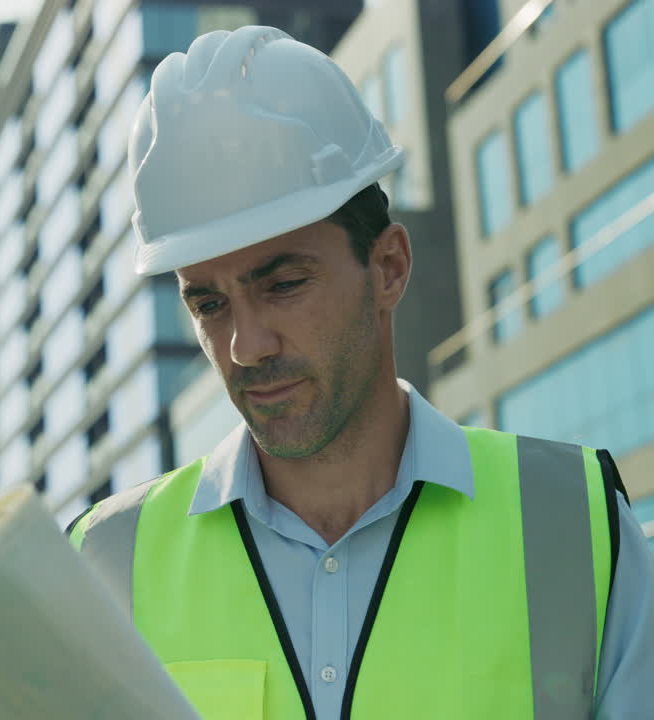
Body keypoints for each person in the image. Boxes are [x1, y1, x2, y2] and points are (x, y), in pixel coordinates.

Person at [66, 26, 653, 720]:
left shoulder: (573, 522)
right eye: (210, 303)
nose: (244, 345)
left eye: (283, 283)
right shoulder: (101, 562)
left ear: (389, 267)